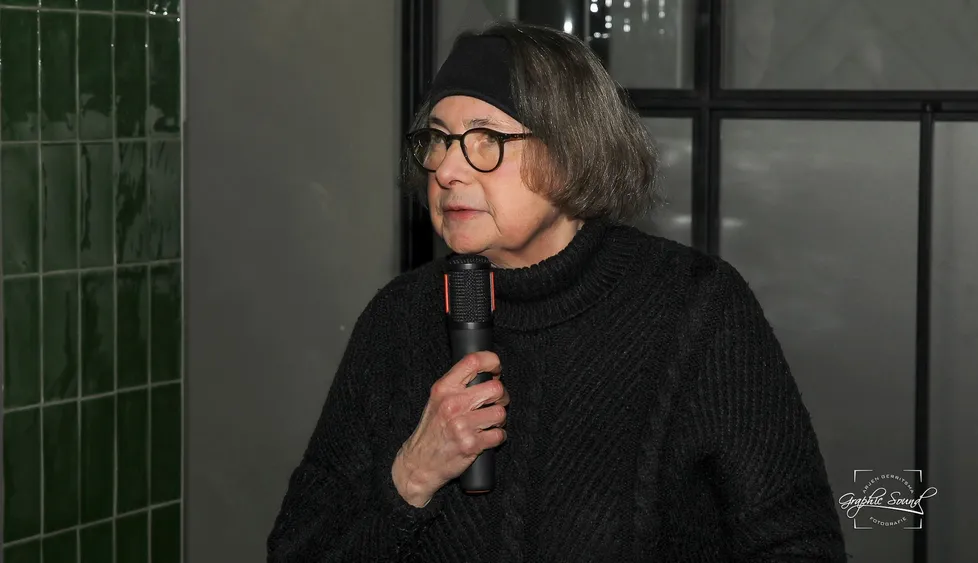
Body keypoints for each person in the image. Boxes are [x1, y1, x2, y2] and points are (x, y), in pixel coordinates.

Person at [267, 21, 847, 562]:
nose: (446, 170)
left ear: (572, 154)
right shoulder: (398, 317)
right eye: (438, 140)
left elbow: (797, 543)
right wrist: (412, 478)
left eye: (485, 139)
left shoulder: (694, 306)